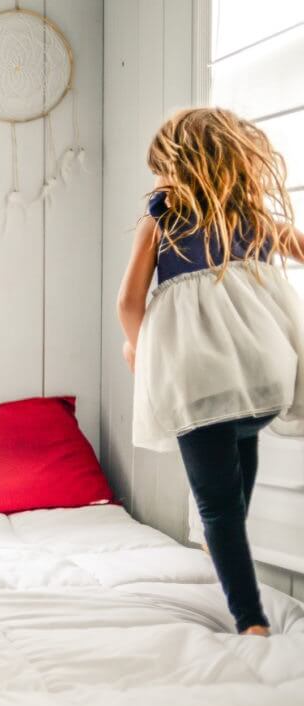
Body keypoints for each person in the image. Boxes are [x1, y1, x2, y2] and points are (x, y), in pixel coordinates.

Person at [117, 106, 304, 636]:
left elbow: (128, 303)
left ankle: (251, 622)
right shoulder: (251, 217)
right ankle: (219, 544)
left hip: (200, 386)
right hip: (263, 383)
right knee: (238, 467)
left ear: (178, 168)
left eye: (161, 170)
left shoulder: (162, 218)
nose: (157, 181)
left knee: (217, 508)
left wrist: (143, 356)